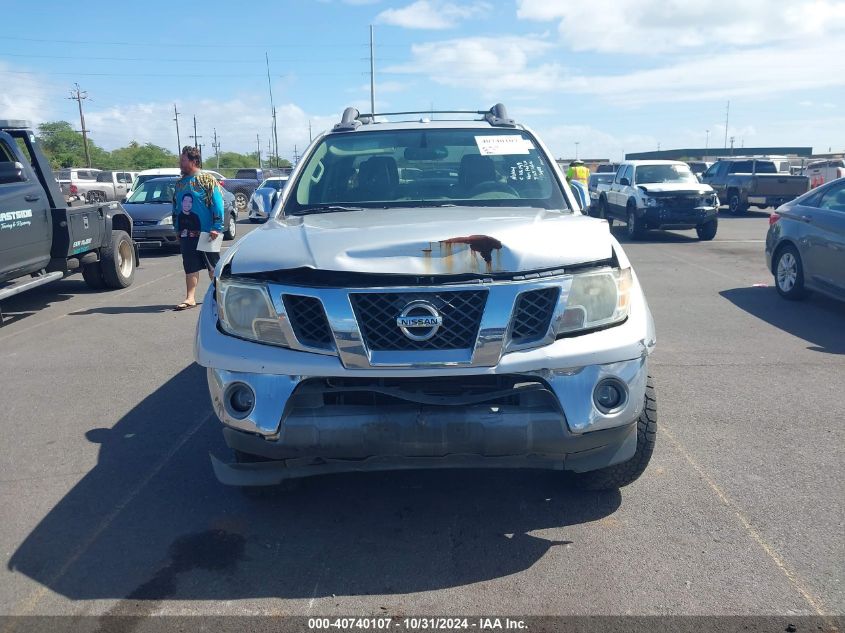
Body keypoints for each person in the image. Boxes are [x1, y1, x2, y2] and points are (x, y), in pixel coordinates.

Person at [172, 146, 224, 311]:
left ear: (194, 161)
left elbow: (218, 203)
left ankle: (221, 296)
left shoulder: (207, 180)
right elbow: (176, 207)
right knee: (190, 265)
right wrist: (177, 228)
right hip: (186, 232)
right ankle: (190, 298)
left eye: (184, 159)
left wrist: (217, 226)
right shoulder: (179, 183)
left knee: (213, 265)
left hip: (208, 232)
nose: (181, 162)